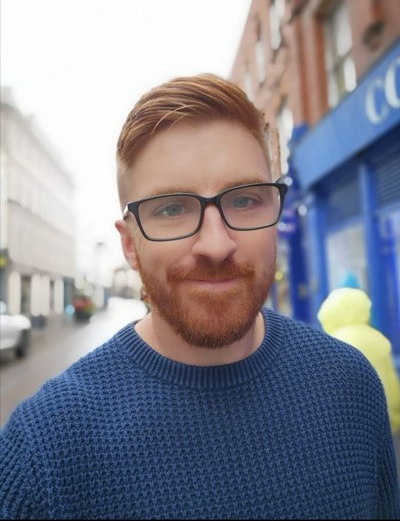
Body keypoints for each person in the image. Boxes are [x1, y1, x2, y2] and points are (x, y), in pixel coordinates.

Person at [1, 74, 399, 519]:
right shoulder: (43, 451)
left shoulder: (352, 387)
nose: (216, 244)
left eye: (246, 200)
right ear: (130, 244)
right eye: (171, 208)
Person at [317, 286, 400, 434]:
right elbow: (391, 383)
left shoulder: (331, 343)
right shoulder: (379, 339)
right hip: (385, 419)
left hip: (353, 425)